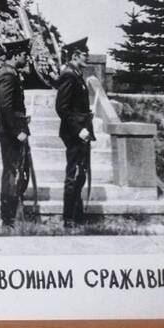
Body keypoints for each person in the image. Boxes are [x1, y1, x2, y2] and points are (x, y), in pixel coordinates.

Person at [55, 37, 95, 228]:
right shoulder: (69, 75)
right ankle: (68, 218)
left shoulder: (76, 74)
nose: (87, 58)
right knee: (73, 175)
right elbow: (62, 107)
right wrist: (78, 129)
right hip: (74, 134)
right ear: (75, 56)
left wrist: (87, 114)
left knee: (80, 174)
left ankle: (77, 216)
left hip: (82, 130)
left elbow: (75, 105)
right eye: (84, 55)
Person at [0, 37, 32, 227]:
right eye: (24, 55)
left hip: (13, 128)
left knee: (14, 171)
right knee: (11, 172)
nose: (27, 59)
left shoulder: (10, 73)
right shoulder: (7, 75)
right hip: (10, 132)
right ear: (16, 55)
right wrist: (17, 131)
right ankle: (8, 219)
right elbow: (5, 107)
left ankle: (11, 215)